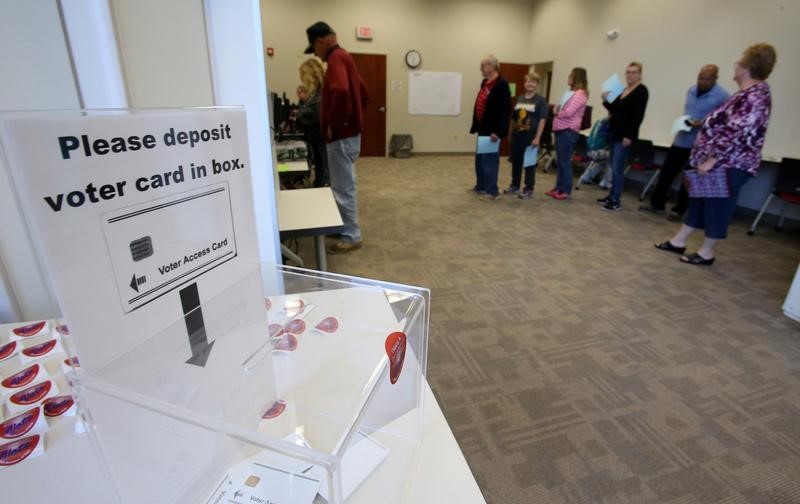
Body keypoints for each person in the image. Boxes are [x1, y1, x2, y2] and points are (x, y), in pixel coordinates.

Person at [655, 43, 775, 266]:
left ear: (748, 67)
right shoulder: (745, 94)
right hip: (716, 162)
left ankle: (707, 251)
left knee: (718, 206)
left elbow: (737, 133)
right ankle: (679, 240)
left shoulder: (754, 97)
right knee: (699, 200)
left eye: (739, 62)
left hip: (727, 164)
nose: (736, 66)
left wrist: (711, 160)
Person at [304, 21, 369, 253]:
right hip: (349, 135)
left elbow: (341, 91)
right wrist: (353, 120)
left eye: (314, 49)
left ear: (321, 42)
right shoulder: (346, 57)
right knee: (343, 184)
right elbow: (363, 94)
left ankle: (352, 235)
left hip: (341, 136)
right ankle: (344, 227)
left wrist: (334, 123)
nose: (317, 56)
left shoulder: (335, 59)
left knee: (343, 187)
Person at [639, 65, 728, 219]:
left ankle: (679, 210)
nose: (702, 81)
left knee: (688, 178)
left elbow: (723, 122)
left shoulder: (723, 96)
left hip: (699, 145)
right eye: (700, 77)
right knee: (666, 173)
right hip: (681, 139)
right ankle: (656, 204)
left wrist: (703, 123)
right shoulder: (692, 90)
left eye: (706, 79)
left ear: (715, 79)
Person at [597, 62, 649, 211]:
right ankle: (611, 194)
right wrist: (605, 100)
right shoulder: (624, 90)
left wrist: (630, 136)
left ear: (640, 74)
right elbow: (615, 110)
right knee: (613, 166)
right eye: (628, 72)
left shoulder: (641, 90)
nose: (630, 75)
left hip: (624, 136)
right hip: (614, 133)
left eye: (634, 72)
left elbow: (638, 116)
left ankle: (615, 200)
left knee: (618, 168)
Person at [469, 55, 511, 201]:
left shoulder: (501, 84)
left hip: (492, 131)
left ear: (492, 66)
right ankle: (481, 186)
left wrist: (498, 132)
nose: (480, 68)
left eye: (482, 65)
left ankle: (492, 191)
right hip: (483, 127)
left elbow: (505, 111)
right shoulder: (485, 82)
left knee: (490, 161)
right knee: (480, 160)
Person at [503, 72, 547, 199]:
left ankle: (528, 189)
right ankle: (515, 186)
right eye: (528, 81)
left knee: (529, 164)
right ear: (524, 83)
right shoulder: (520, 98)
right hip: (517, 136)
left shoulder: (541, 101)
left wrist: (537, 138)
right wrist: (510, 133)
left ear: (537, 84)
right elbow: (514, 118)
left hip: (530, 137)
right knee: (516, 162)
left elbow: (542, 120)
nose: (530, 84)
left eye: (533, 82)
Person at [547, 67, 589, 200]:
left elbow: (569, 112)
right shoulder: (571, 93)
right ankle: (559, 188)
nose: (568, 78)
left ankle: (566, 190)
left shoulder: (580, 94)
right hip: (561, 129)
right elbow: (563, 107)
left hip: (568, 131)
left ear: (576, 78)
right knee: (560, 162)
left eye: (571, 76)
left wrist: (556, 112)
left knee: (565, 162)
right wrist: (557, 108)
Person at [297, 59, 329, 187]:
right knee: (321, 169)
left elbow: (314, 116)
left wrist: (300, 115)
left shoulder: (319, 94)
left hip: (321, 138)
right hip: (319, 138)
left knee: (325, 172)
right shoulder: (318, 92)